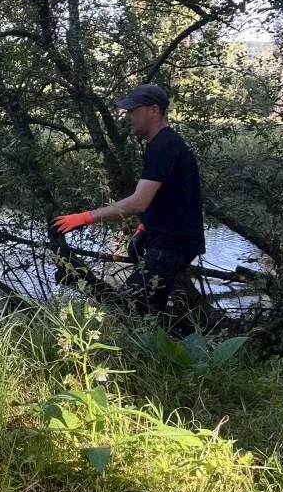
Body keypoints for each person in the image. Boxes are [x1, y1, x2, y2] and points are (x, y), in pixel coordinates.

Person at [54, 83, 205, 317]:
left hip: (173, 244)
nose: (126, 116)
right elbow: (173, 194)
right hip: (168, 239)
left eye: (132, 110)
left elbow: (137, 202)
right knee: (148, 312)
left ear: (153, 110)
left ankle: (193, 347)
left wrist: (84, 218)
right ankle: (174, 347)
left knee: (130, 307)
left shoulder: (164, 146)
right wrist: (146, 225)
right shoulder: (163, 143)